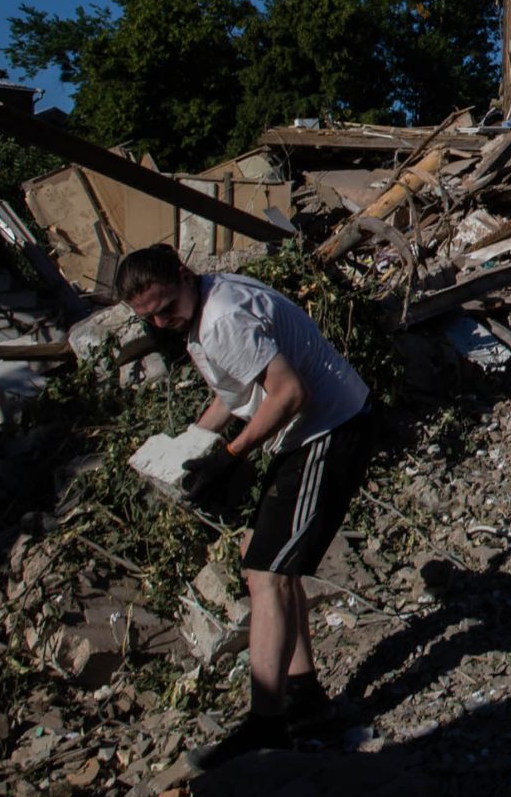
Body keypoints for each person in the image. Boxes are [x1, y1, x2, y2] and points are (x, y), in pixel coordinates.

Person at [115, 245, 375, 766]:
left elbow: (287, 392)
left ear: (183, 276)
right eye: (150, 318)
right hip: (306, 432)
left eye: (166, 307)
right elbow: (235, 392)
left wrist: (231, 458)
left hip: (327, 430)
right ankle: (301, 693)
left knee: (267, 574)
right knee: (263, 559)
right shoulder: (208, 299)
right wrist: (188, 447)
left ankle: (267, 725)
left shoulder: (220, 320)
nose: (163, 322)